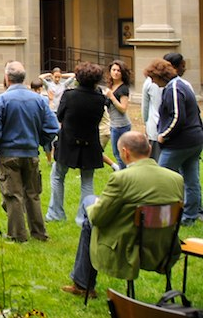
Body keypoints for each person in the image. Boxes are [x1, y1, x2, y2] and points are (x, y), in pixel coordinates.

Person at [60, 131, 184, 300]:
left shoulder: (121, 178)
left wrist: (93, 205)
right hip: (163, 249)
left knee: (89, 211)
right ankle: (81, 283)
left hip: (127, 249)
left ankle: (82, 284)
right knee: (92, 207)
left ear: (125, 152)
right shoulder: (176, 179)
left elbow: (98, 218)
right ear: (148, 149)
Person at [0, 60, 59, 243]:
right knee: (33, 194)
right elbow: (52, 127)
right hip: (31, 153)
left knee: (13, 194)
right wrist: (40, 141)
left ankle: (17, 235)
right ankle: (39, 233)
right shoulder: (39, 100)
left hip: (9, 154)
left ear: (7, 78)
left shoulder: (1, 100)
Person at [46, 62, 107, 224]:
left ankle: (56, 213)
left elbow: (59, 115)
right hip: (90, 143)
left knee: (58, 176)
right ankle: (82, 218)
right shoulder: (101, 99)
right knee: (87, 182)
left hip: (68, 142)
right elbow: (98, 119)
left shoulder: (69, 95)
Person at [154, 55, 203, 226]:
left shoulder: (174, 88)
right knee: (191, 179)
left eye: (153, 78)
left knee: (161, 179)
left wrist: (163, 135)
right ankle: (189, 217)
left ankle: (162, 217)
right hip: (194, 140)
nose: (153, 83)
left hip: (180, 142)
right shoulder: (181, 85)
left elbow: (178, 117)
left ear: (161, 76)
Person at [102, 60, 132, 169]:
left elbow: (123, 109)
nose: (115, 73)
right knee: (117, 152)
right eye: (113, 70)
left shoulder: (123, 89)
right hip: (113, 123)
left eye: (118, 71)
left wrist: (112, 97)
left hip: (121, 125)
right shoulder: (111, 86)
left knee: (119, 153)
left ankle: (124, 173)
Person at [140, 67, 163, 159]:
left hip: (154, 127)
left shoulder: (148, 82)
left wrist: (146, 123)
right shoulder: (179, 83)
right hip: (164, 129)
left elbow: (145, 107)